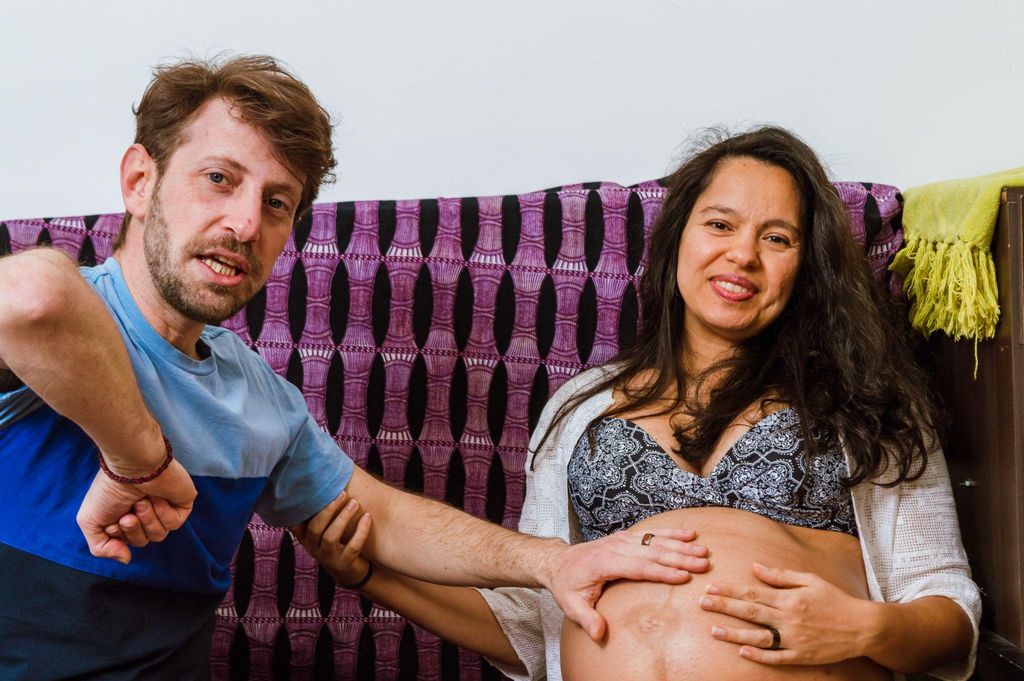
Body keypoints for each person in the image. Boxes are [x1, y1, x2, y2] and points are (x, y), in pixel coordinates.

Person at [0, 55, 710, 680]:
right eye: (219, 179)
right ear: (139, 180)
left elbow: (379, 516)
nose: (246, 223)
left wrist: (551, 562)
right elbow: (32, 300)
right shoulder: (52, 329)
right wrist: (140, 462)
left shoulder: (261, 403)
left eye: (276, 204)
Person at [299, 127, 981, 681]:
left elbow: (951, 614)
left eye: (778, 238)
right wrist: (373, 574)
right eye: (720, 223)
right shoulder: (580, 408)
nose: (742, 254)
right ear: (677, 237)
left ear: (808, 267)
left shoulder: (866, 404)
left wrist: (864, 628)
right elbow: (535, 634)